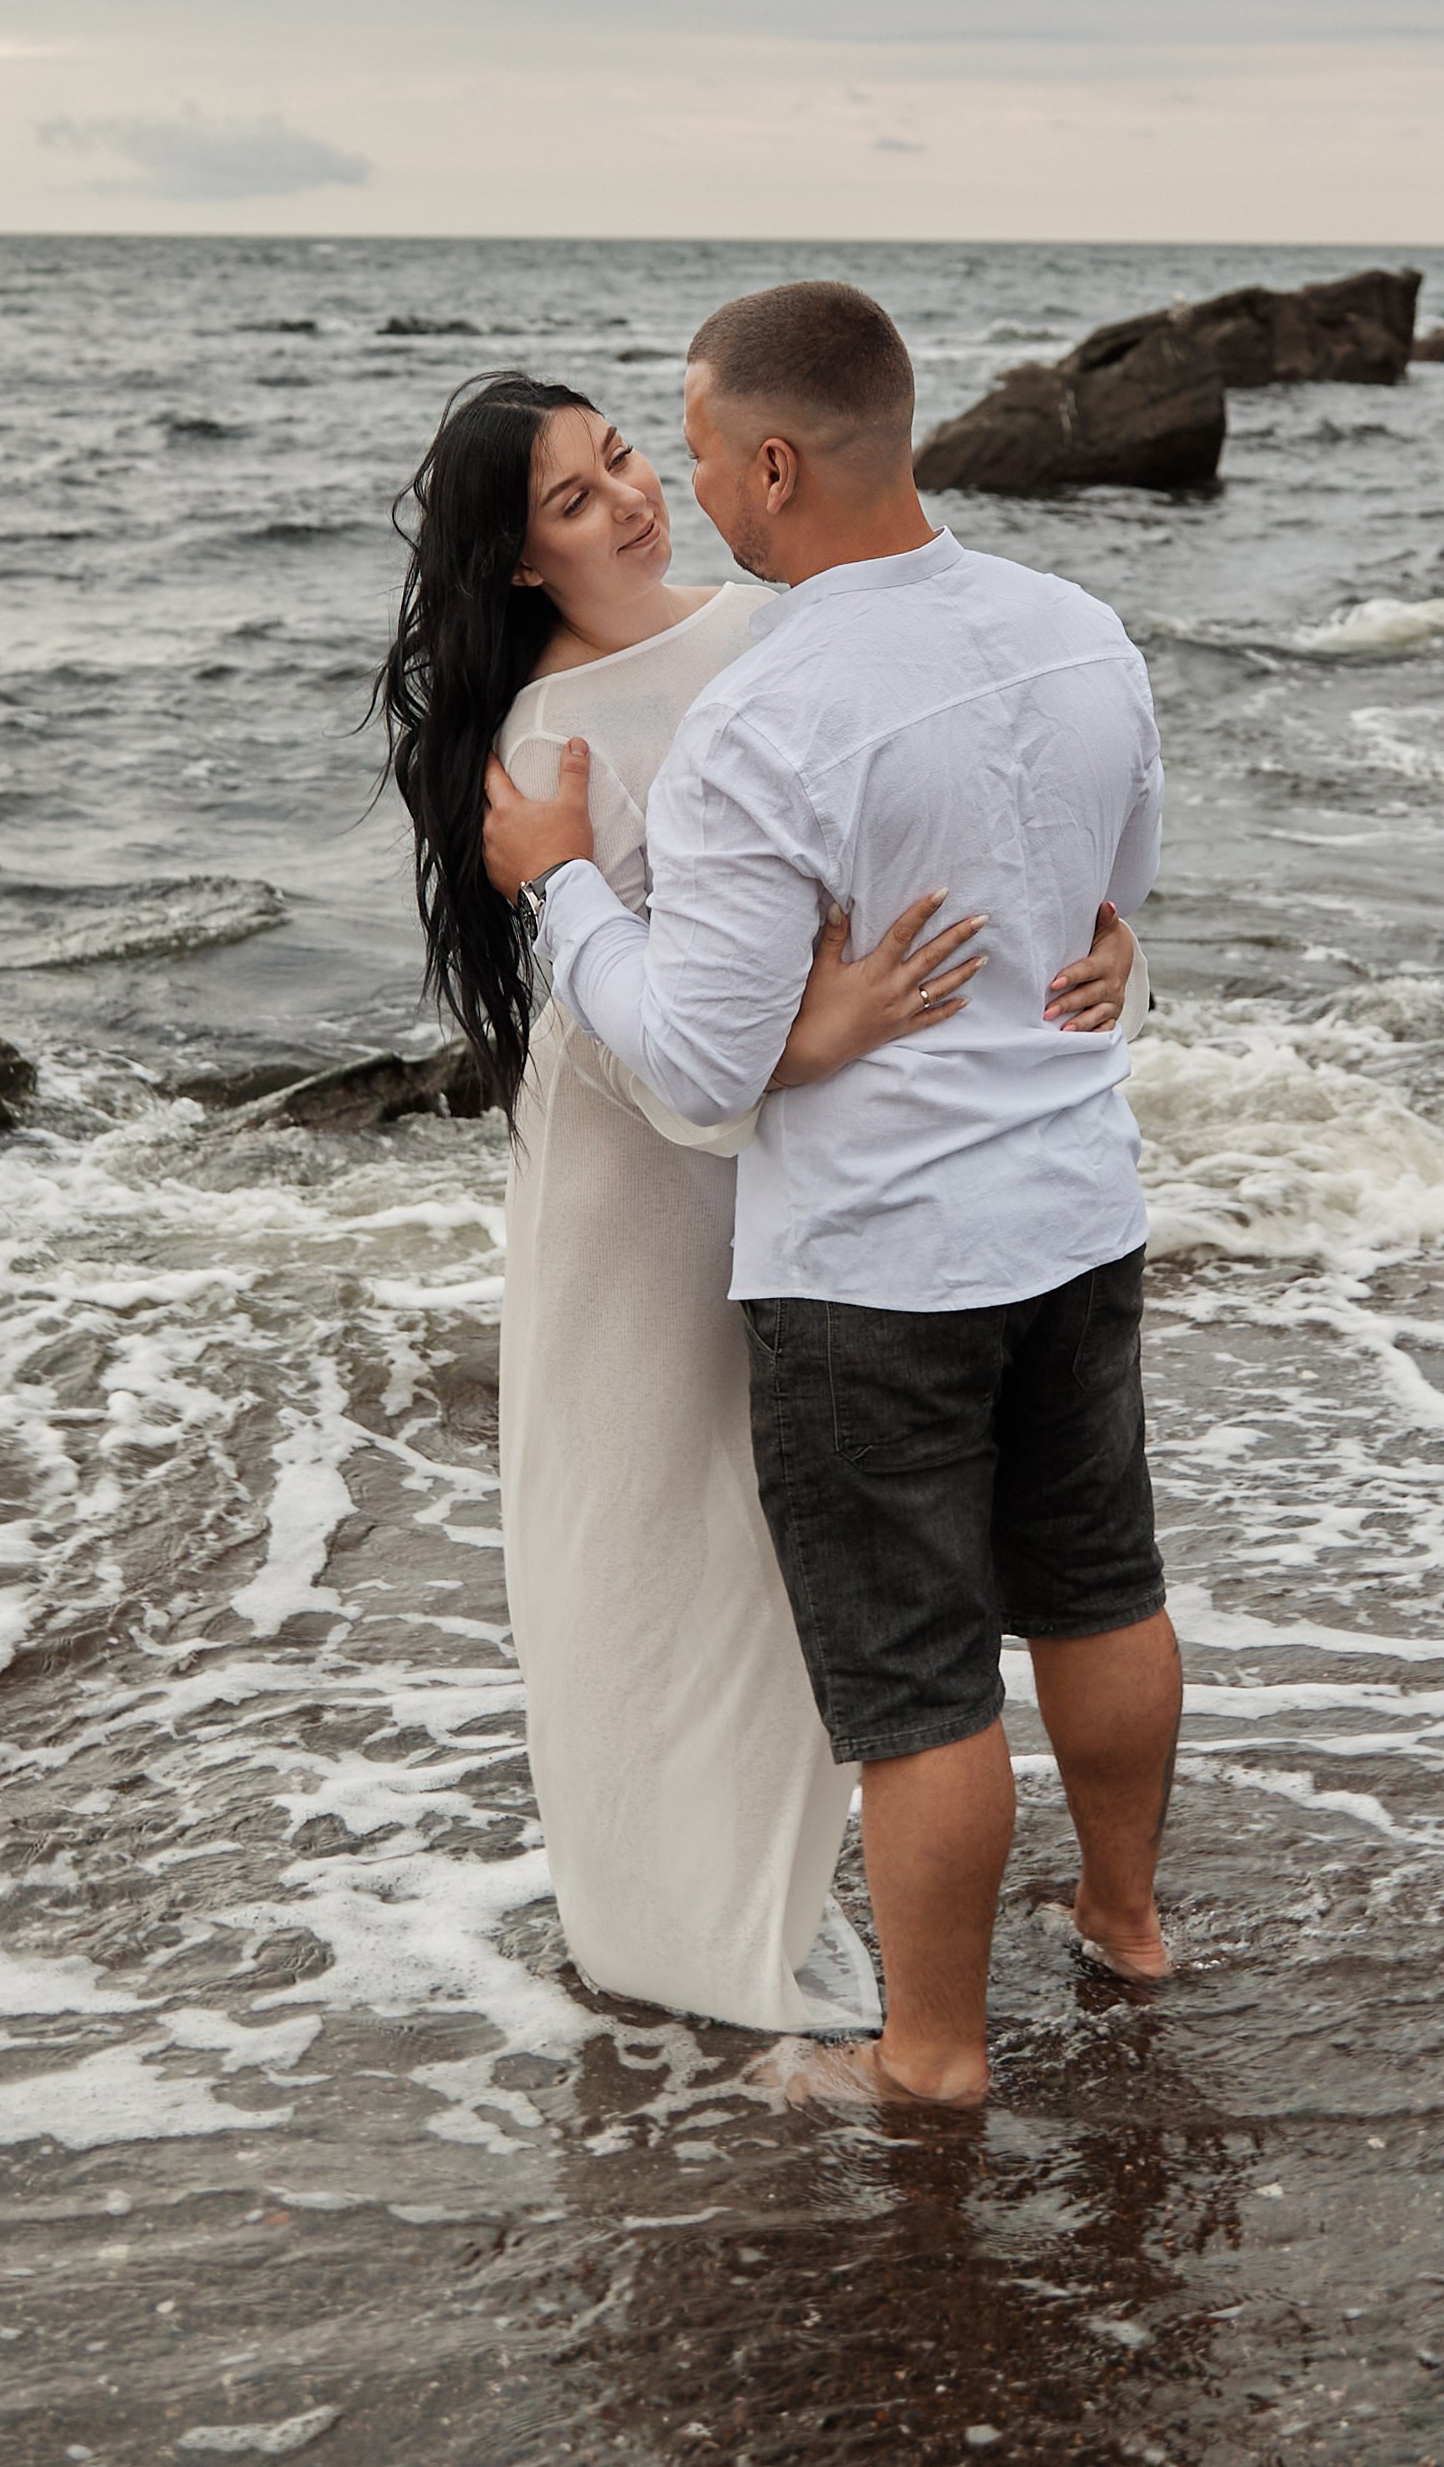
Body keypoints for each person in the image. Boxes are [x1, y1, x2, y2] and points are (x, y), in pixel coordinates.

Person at [483, 281, 1183, 2107]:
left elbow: (703, 1060)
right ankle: (1127, 1917)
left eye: (690, 446)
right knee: (1102, 1588)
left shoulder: (769, 713)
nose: (680, 483)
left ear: (772, 460)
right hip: (1080, 1208)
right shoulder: (1075, 627)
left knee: (918, 1679)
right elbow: (1108, 910)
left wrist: (561, 885)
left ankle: (932, 2055)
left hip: (881, 1259)